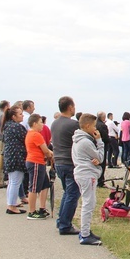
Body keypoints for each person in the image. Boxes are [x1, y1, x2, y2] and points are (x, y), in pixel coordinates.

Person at [72, 113, 105, 246]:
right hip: (87, 175)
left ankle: (86, 231)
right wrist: (100, 142)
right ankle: (85, 234)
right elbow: (101, 157)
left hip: (82, 173)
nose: (95, 129)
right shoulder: (85, 141)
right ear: (87, 126)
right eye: (94, 126)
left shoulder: (77, 139)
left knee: (88, 202)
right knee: (88, 204)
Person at [51, 96, 81, 235]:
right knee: (72, 194)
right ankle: (65, 224)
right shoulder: (73, 124)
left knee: (67, 193)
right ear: (70, 107)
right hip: (70, 162)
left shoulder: (55, 123)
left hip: (59, 161)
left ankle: (61, 220)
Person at [25, 114, 53, 219]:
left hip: (38, 162)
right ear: (35, 123)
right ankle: (31, 211)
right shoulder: (35, 135)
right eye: (41, 122)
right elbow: (45, 150)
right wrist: (50, 154)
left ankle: (42, 207)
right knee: (34, 187)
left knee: (45, 184)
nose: (43, 124)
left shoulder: (31, 134)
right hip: (35, 161)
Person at [3, 105, 28, 214]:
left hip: (10, 155)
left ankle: (11, 202)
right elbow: (25, 139)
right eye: (20, 114)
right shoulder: (17, 127)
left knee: (12, 181)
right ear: (13, 116)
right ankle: (11, 205)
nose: (22, 116)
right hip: (17, 156)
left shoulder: (8, 126)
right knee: (15, 182)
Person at [95, 112, 111, 188]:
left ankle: (97, 179)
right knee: (102, 163)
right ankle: (101, 181)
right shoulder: (102, 125)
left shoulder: (95, 124)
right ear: (103, 117)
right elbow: (105, 137)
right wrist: (109, 140)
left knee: (97, 163)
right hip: (102, 145)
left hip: (95, 146)